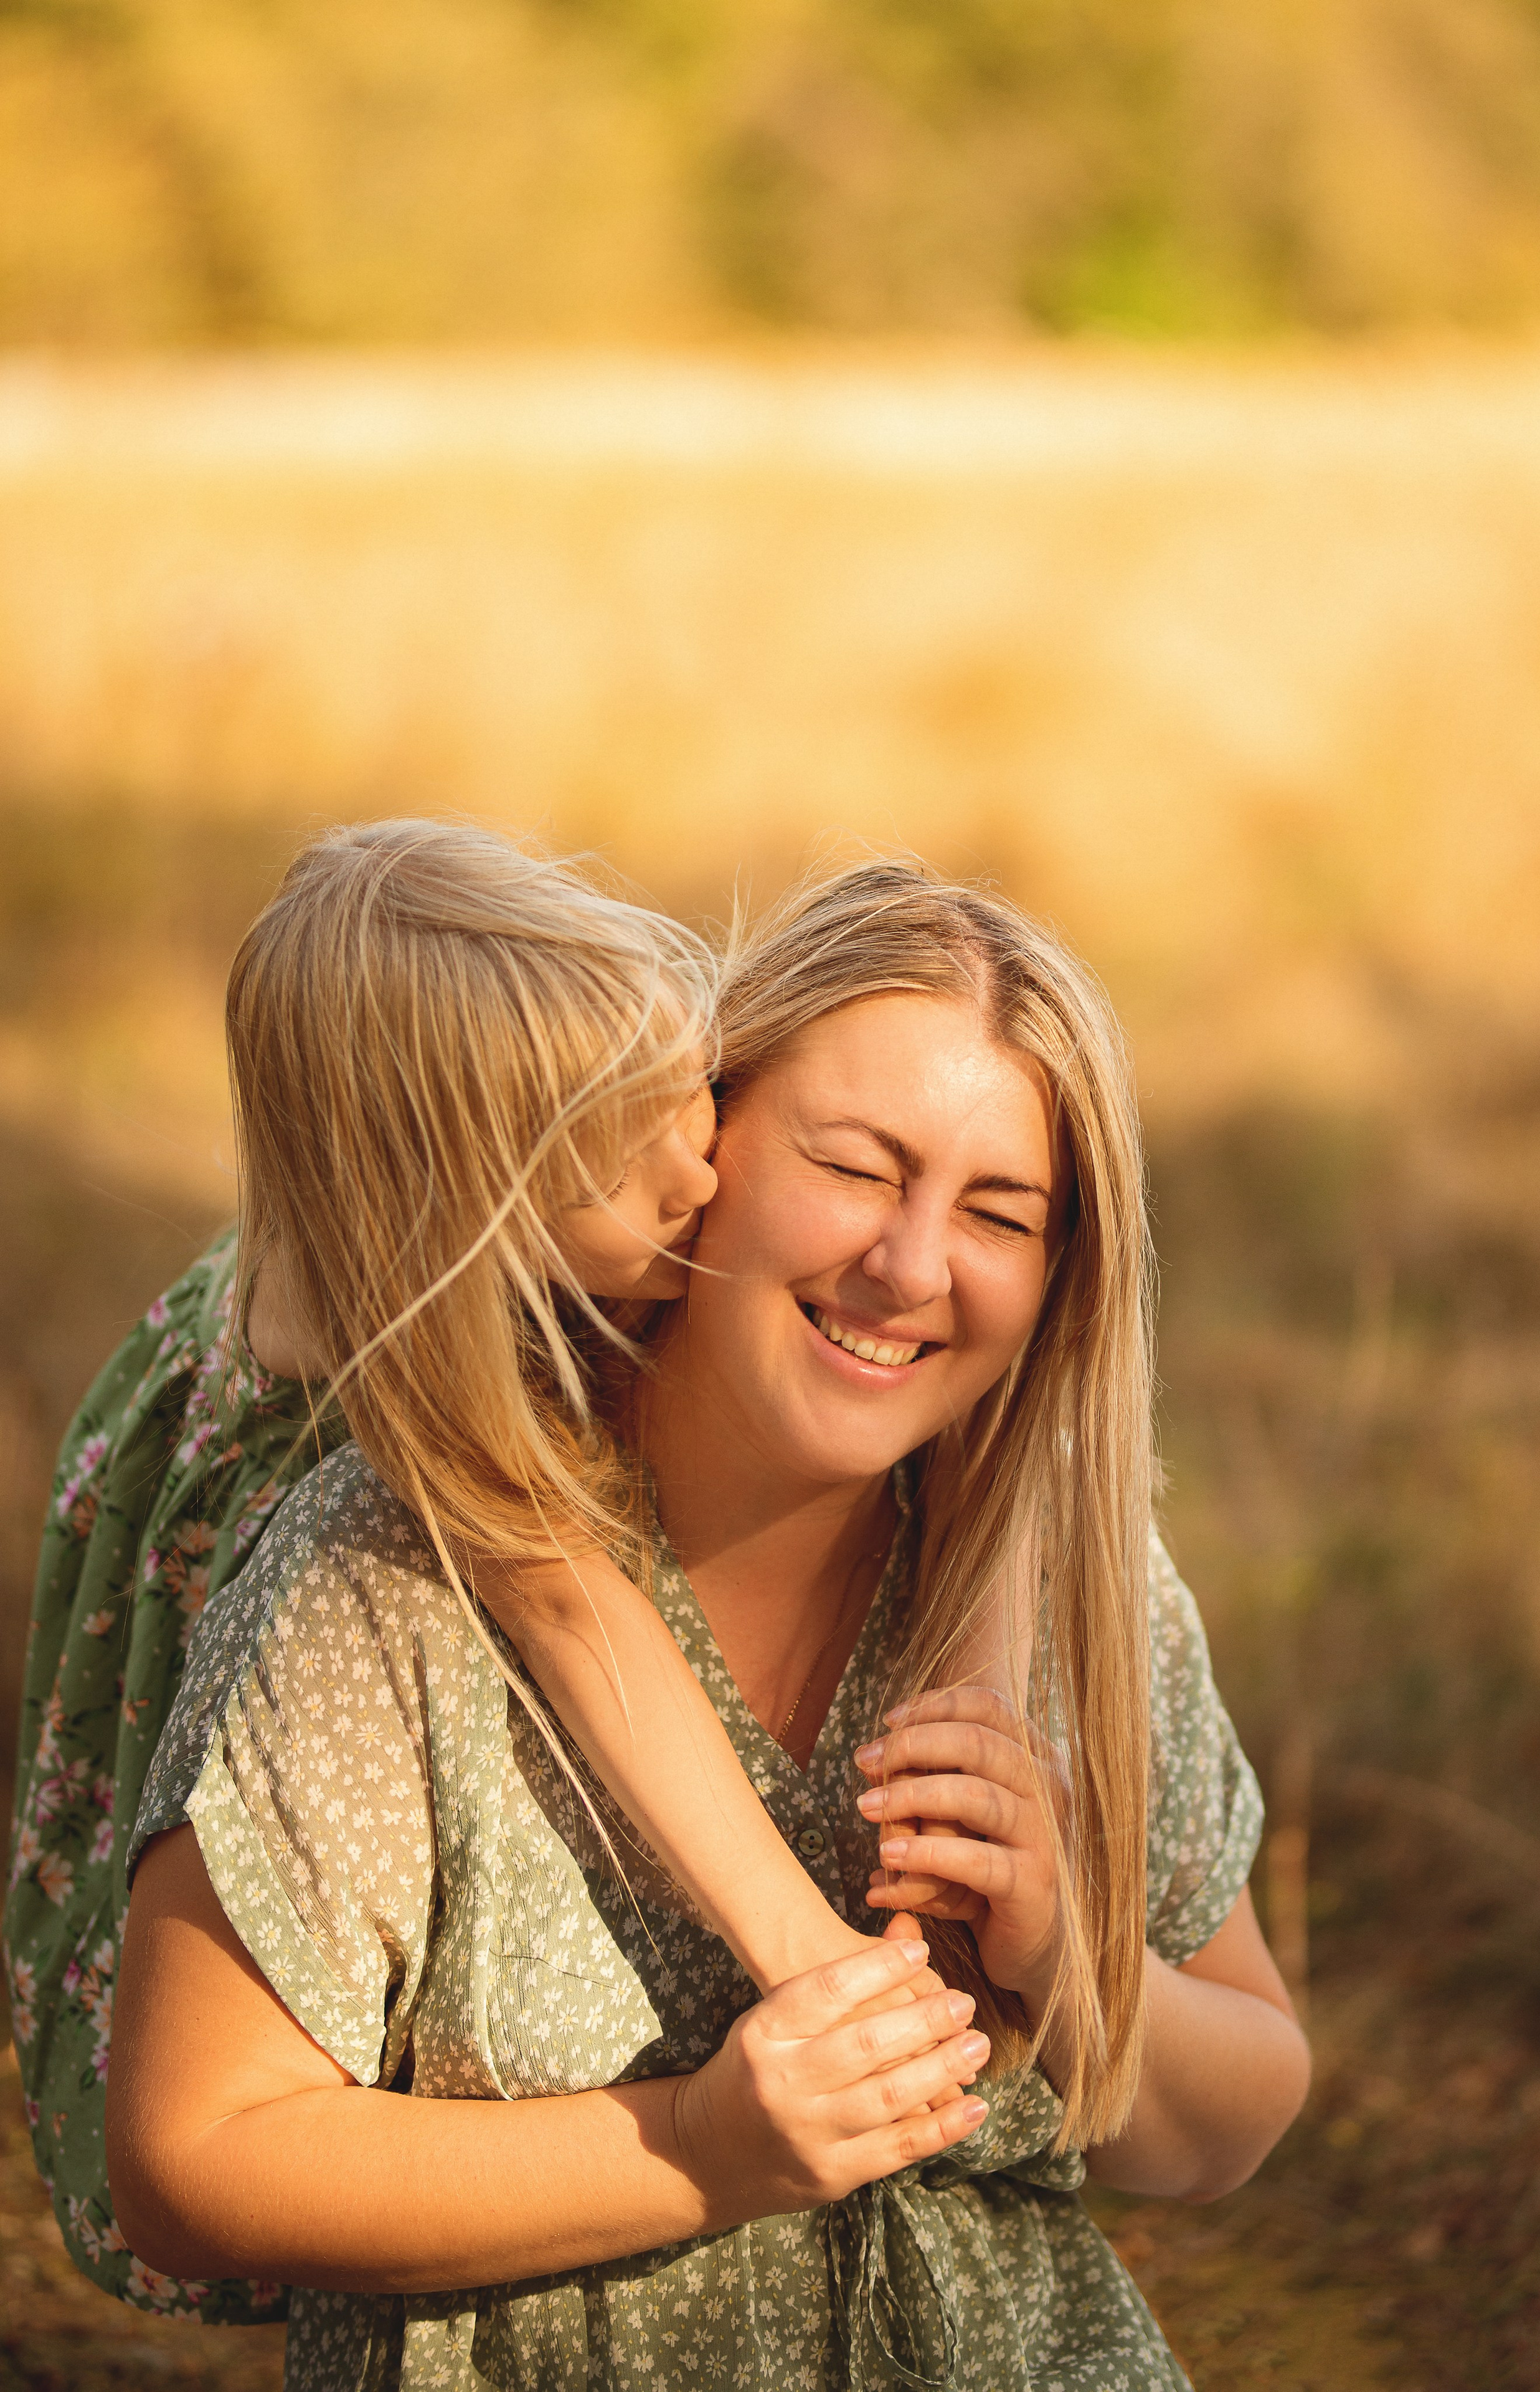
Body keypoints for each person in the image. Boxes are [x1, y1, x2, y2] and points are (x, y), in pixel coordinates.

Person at [106, 857, 1307, 2386]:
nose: (910, 1263)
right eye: (858, 1167)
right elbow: (190, 2161)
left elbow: (1233, 2120)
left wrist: (1073, 1950)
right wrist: (694, 2148)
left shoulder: (1076, 1568)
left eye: (999, 1212)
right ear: (700, 1129)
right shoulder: (396, 1570)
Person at [5, 823, 975, 2322]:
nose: (698, 1166)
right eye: (627, 1156)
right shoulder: (394, 1381)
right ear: (481, 1207)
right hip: (267, 1505)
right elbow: (570, 1601)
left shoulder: (504, 1153)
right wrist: (801, 1944)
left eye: (691, 1101)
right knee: (237, 1911)